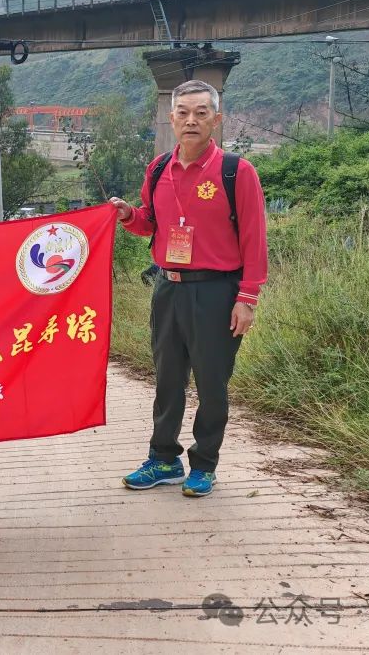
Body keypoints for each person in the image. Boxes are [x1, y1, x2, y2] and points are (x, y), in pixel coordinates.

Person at [109, 79, 267, 498]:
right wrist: (127, 215)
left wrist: (247, 299)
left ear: (216, 119)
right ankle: (163, 459)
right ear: (171, 117)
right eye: (183, 112)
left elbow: (255, 240)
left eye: (201, 113)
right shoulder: (159, 168)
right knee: (167, 377)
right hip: (168, 288)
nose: (191, 120)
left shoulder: (236, 171)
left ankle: (205, 463)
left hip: (217, 292)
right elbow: (149, 222)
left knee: (212, 382)